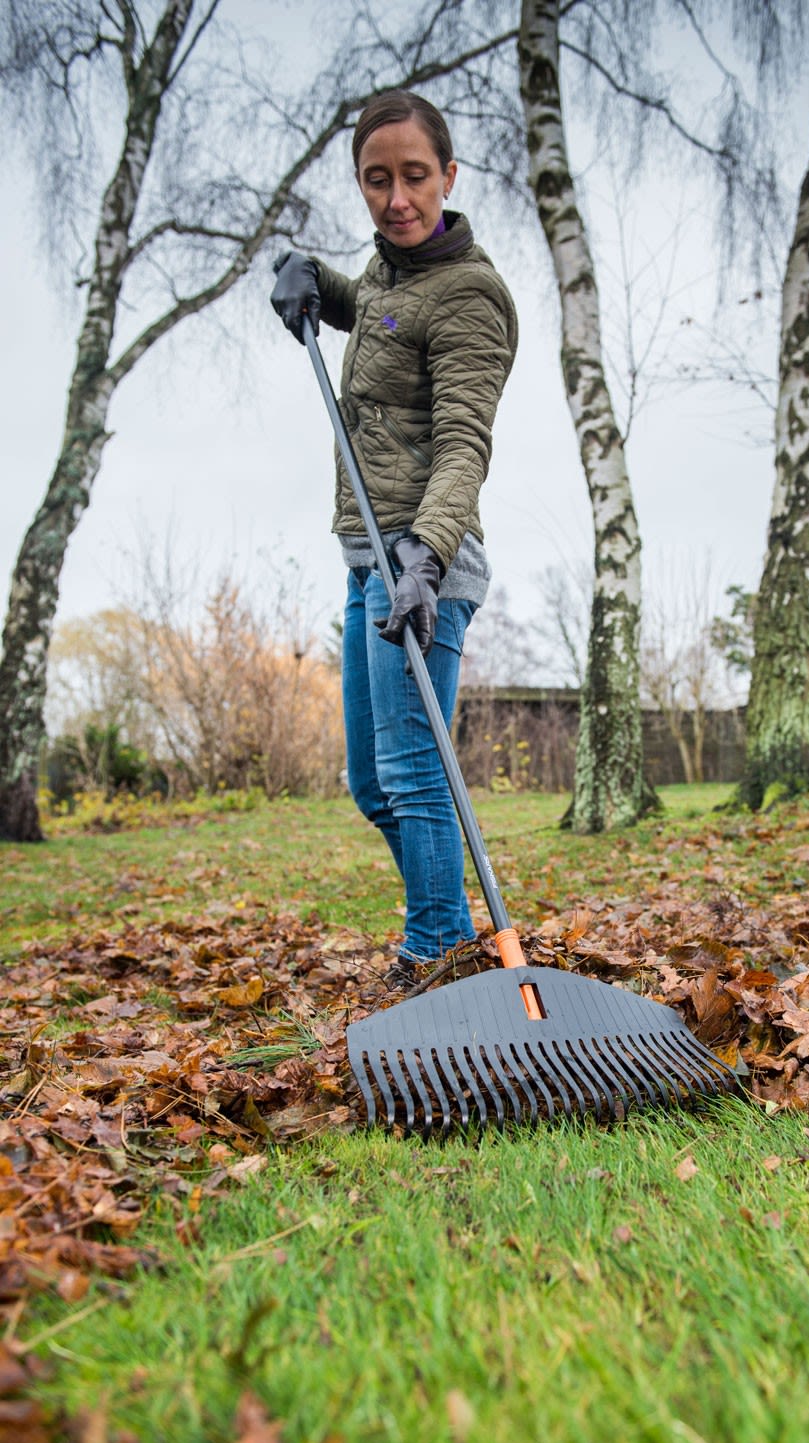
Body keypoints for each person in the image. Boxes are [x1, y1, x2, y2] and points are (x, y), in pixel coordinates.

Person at [270, 90, 518, 991]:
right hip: (365, 556)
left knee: (414, 774)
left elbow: (464, 442)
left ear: (449, 177)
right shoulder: (389, 275)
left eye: (415, 177)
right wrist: (314, 280)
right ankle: (445, 931)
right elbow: (377, 318)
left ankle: (438, 951)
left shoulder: (470, 296)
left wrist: (427, 554)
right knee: (374, 784)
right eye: (377, 181)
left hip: (422, 561)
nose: (397, 198)